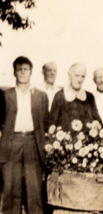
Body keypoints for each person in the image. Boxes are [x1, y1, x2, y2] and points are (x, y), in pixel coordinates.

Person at [49, 63, 102, 214]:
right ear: (69, 75)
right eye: (76, 75)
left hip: (85, 152)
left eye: (82, 76)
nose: (79, 79)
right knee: (65, 195)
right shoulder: (60, 96)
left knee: (83, 193)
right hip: (64, 152)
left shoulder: (89, 97)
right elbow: (52, 124)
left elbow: (97, 120)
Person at [0, 56, 49, 214]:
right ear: (14, 72)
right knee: (11, 189)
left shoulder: (40, 96)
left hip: (32, 143)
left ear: (31, 72)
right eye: (19, 69)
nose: (22, 72)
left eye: (25, 69)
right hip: (12, 143)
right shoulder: (5, 95)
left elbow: (45, 122)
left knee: (34, 189)